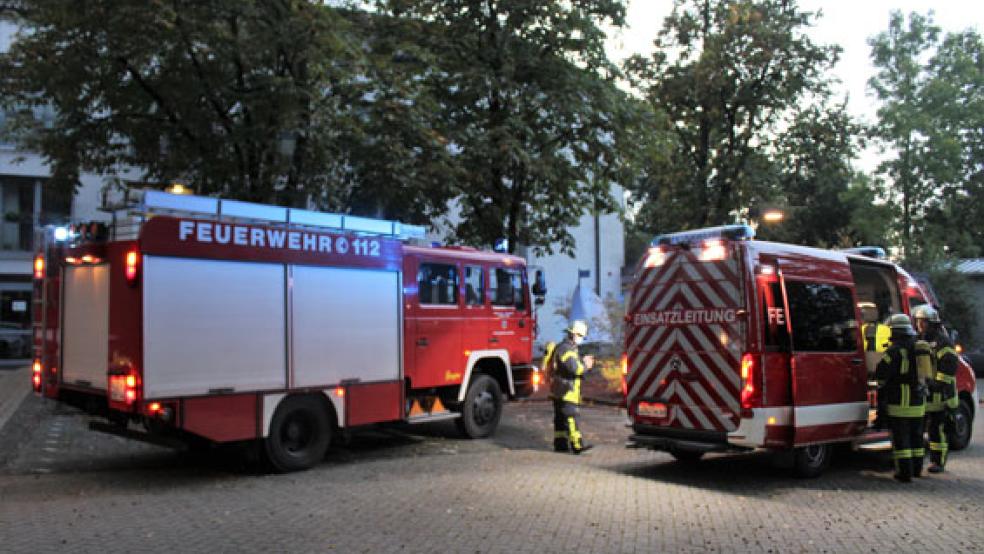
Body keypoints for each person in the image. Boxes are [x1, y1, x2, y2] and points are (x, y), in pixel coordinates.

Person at [875, 314, 927, 482]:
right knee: (917, 437)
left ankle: (904, 474)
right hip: (918, 400)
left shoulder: (894, 351)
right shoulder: (919, 347)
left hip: (900, 401)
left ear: (895, 332)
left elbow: (881, 372)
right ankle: (917, 470)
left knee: (901, 439)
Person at [913, 305, 959, 473]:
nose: (919, 324)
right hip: (925, 392)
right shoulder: (919, 339)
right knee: (921, 428)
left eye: (923, 321)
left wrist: (935, 384)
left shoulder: (942, 342)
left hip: (941, 395)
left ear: (932, 323)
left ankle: (938, 461)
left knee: (936, 430)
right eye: (918, 321)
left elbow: (949, 366)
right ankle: (920, 460)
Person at [549, 320, 595, 454]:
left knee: (560, 418)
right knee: (571, 416)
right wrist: (586, 365)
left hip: (560, 389)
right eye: (580, 336)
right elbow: (575, 369)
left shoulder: (565, 348)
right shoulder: (566, 349)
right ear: (573, 334)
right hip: (567, 390)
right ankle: (577, 445)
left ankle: (560, 444)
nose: (581, 339)